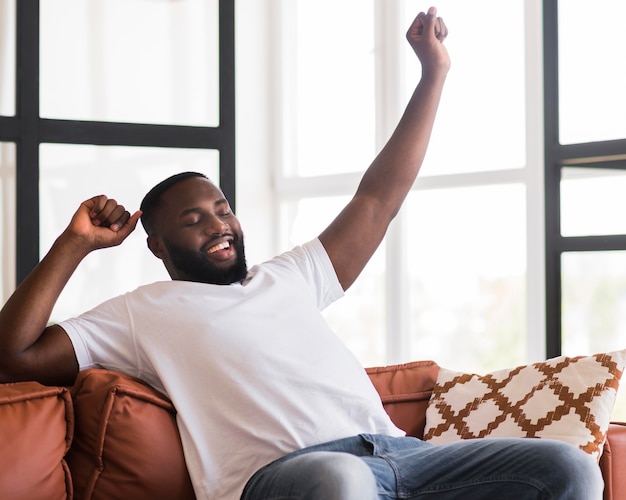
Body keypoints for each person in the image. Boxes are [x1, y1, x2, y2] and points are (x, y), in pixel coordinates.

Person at [0, 7, 602, 500]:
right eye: (193, 219)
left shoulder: (288, 276)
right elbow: (16, 353)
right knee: (339, 482)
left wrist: (433, 74)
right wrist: (74, 242)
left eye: (223, 208)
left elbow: (378, 199)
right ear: (156, 246)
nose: (220, 225)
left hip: (402, 458)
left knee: (568, 469)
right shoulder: (141, 311)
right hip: (292, 477)